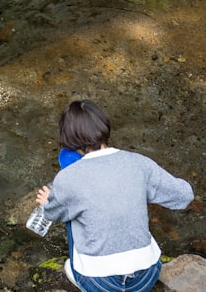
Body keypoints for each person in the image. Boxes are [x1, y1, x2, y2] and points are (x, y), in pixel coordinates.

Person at [36, 99, 193, 292]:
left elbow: (52, 214)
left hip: (100, 283)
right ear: (103, 128)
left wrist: (47, 202)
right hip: (147, 276)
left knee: (69, 212)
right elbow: (184, 196)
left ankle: (78, 273)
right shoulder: (139, 163)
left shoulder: (67, 178)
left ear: (68, 139)